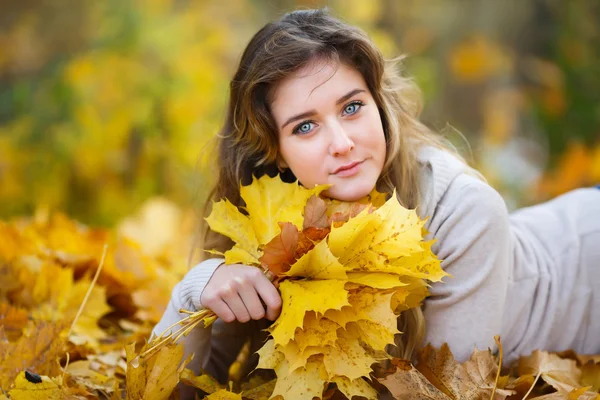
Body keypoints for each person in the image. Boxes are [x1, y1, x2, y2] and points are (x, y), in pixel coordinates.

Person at [153, 8, 600, 389]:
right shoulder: (270, 225)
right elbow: (188, 386)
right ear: (277, 153)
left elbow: (446, 391)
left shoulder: (465, 210)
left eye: (352, 107)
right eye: (305, 126)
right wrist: (193, 292)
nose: (343, 143)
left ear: (379, 107)